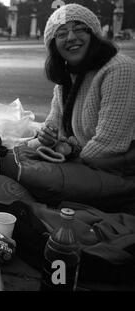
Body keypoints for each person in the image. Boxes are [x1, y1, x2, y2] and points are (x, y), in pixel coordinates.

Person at [14, 4, 135, 212]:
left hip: (116, 175)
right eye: (61, 33)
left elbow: (107, 148)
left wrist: (63, 150)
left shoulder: (119, 69)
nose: (70, 37)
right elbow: (52, 129)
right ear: (54, 46)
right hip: (83, 165)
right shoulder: (66, 81)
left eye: (79, 29)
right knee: (4, 158)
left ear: (95, 35)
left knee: (15, 170)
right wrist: (43, 140)